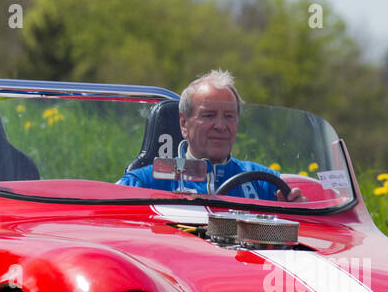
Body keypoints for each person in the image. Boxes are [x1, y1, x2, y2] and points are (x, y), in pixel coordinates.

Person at [119, 69, 303, 201]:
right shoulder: (143, 182)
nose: (221, 126)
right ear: (184, 123)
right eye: (209, 115)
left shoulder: (267, 183)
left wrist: (298, 211)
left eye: (229, 116)